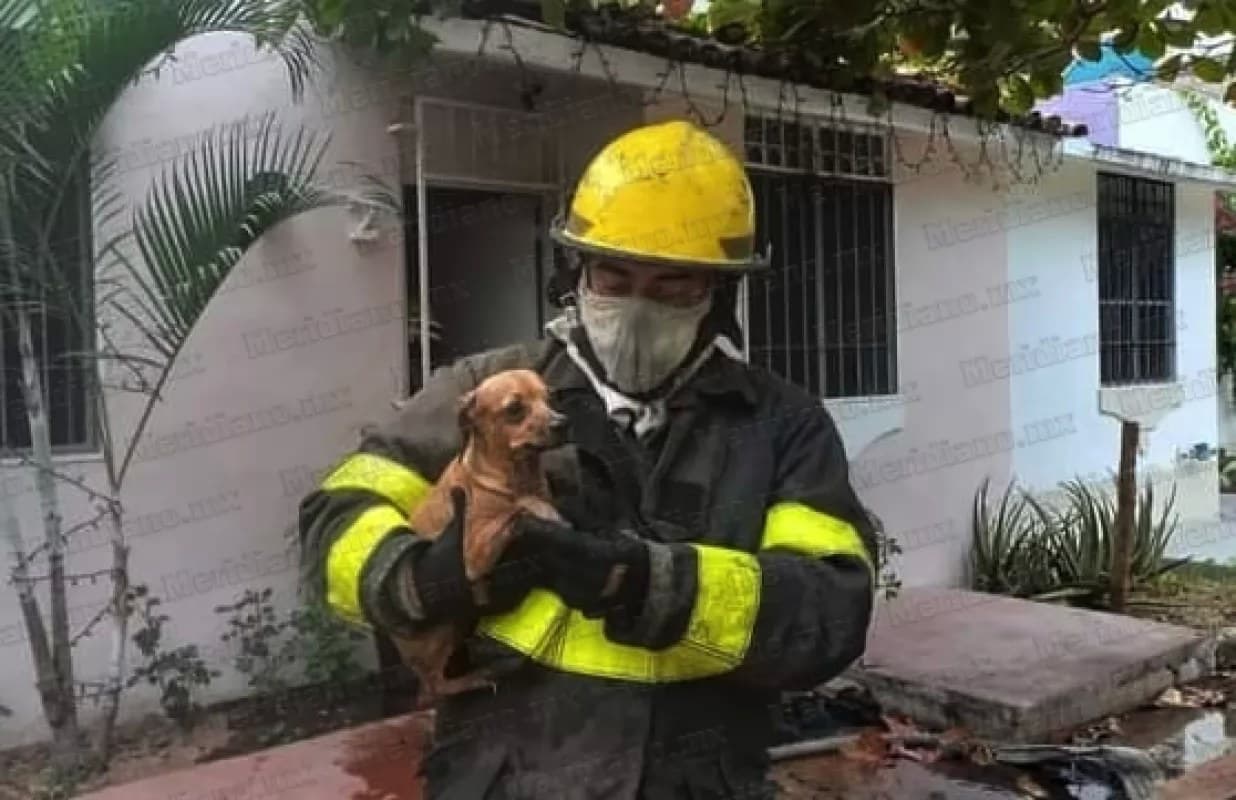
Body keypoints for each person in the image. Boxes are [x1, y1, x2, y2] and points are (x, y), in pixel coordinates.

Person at [298, 119, 878, 799]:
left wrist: (641, 583)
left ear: (719, 292)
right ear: (575, 271)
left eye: (674, 285)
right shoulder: (486, 390)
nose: (638, 306)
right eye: (615, 274)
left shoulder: (782, 425)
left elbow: (828, 614)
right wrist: (420, 580)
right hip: (507, 779)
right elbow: (337, 512)